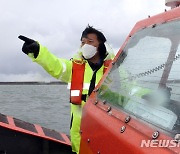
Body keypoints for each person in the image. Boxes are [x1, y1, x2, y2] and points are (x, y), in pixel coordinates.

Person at [18, 25, 114, 153]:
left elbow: (129, 89)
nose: (85, 45)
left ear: (101, 45)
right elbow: (56, 65)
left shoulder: (114, 70)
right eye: (83, 42)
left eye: (90, 42)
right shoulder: (75, 67)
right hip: (79, 138)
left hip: (106, 135)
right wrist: (38, 51)